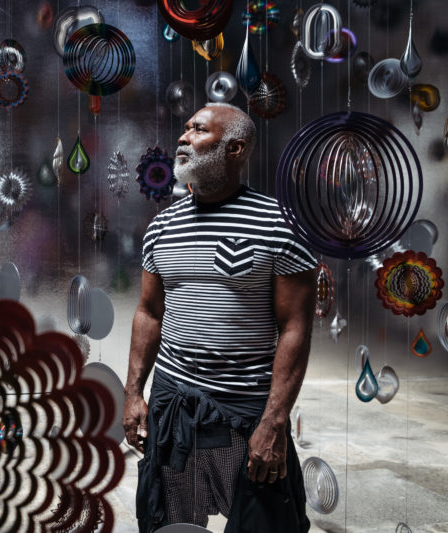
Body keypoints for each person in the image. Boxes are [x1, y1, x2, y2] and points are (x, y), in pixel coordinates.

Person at [123, 102, 317, 532]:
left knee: (266, 523)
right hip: (173, 402)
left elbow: (296, 327)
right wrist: (134, 393)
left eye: (199, 129)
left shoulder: (278, 224)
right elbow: (149, 312)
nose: (183, 137)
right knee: (167, 522)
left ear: (235, 149)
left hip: (246, 407)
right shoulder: (162, 226)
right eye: (185, 127)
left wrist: (275, 420)